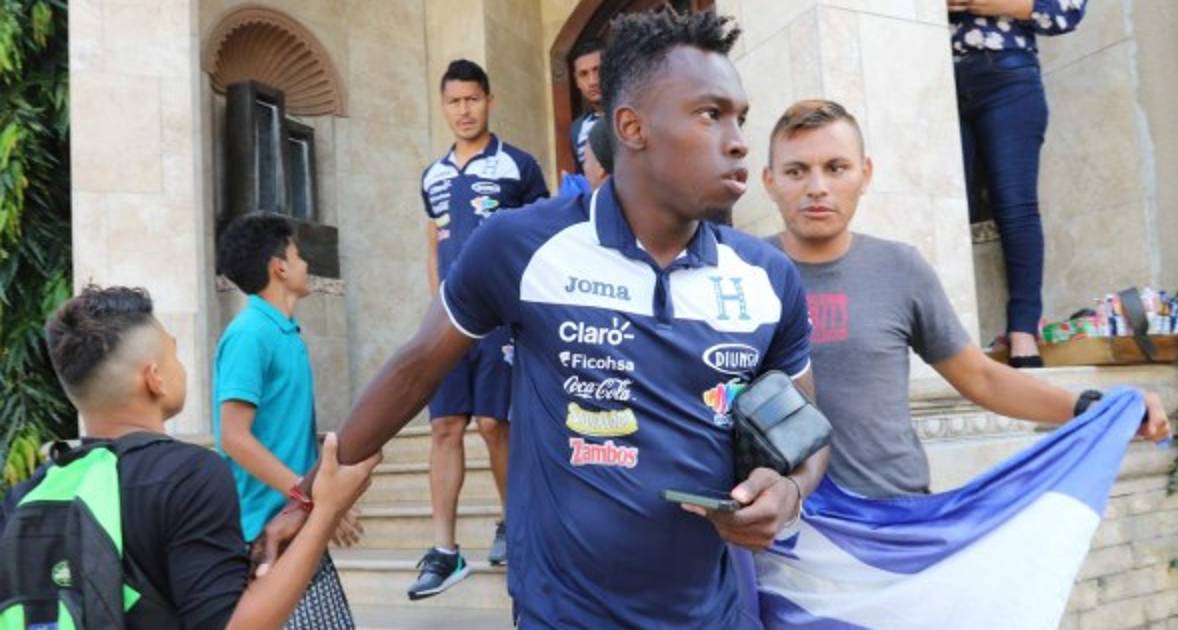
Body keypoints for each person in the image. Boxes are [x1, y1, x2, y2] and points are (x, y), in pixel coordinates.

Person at [257, 11, 827, 629]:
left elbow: (806, 435)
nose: (738, 140)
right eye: (711, 114)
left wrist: (790, 490)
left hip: (714, 615)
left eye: (740, 117)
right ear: (631, 127)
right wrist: (306, 498)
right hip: (563, 613)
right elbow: (415, 371)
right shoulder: (521, 248)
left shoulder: (767, 278)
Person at [760, 99, 1169, 500]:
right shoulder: (742, 271)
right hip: (775, 521)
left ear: (865, 174)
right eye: (796, 171)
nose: (817, 187)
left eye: (836, 168)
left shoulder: (900, 268)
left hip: (896, 515)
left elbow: (981, 377)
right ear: (769, 181)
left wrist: (1093, 407)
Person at [0, 285, 379, 628]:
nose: (180, 366)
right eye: (173, 353)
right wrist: (327, 511)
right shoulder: (188, 475)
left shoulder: (24, 496)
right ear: (155, 379)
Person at [414, 58, 549, 599]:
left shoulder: (519, 165)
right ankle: (445, 550)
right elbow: (434, 241)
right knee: (445, 426)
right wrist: (435, 306)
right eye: (454, 101)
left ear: (489, 101)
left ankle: (514, 525)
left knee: (495, 424)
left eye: (472, 99)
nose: (464, 110)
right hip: (448, 320)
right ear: (443, 106)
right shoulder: (432, 175)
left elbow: (542, 238)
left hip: (500, 318)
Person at [213, 214, 357, 627]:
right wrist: (309, 497)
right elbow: (234, 438)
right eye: (297, 256)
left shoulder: (284, 334)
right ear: (279, 267)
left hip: (296, 521)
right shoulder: (249, 334)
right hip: (260, 533)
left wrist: (317, 502)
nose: (305, 264)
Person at [949, 0, 1088, 367]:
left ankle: (1023, 333)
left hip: (1007, 75)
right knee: (944, 207)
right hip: (933, 74)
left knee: (1015, 206)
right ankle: (946, 336)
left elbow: (1066, 11)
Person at [567, 39, 604, 173]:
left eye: (598, 70)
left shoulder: (635, 113)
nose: (592, 81)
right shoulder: (577, 129)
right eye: (583, 74)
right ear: (576, 81)